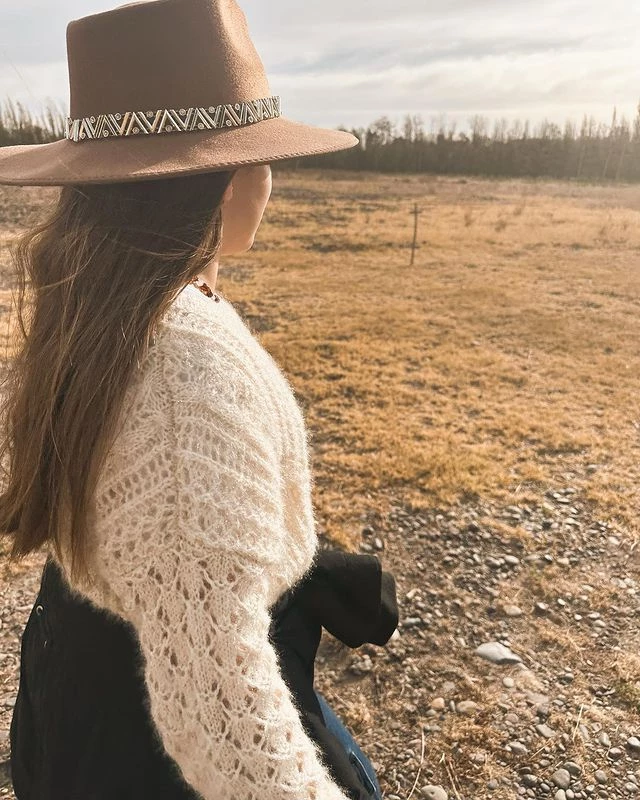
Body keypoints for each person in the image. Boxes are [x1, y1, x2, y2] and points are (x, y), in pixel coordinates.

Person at [0, 0, 389, 798]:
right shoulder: (186, 377)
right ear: (227, 179)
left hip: (80, 673)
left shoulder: (106, 303)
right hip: (153, 753)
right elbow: (219, 715)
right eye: (262, 155)